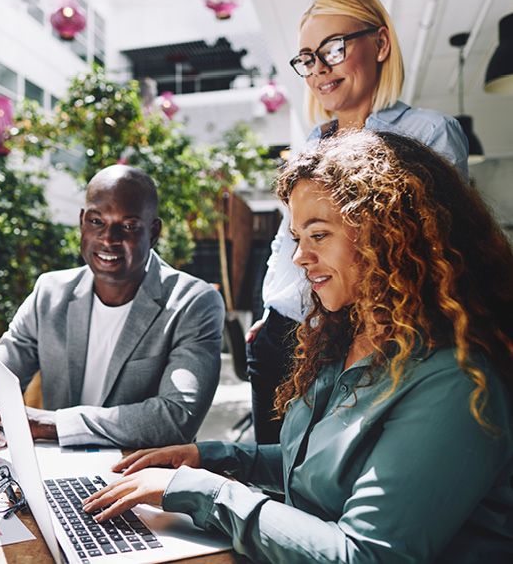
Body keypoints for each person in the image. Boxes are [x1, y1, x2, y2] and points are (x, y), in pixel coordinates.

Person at [83, 131, 513, 563]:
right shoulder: (346, 334)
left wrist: (207, 492)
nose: (299, 257)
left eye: (319, 235)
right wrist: (209, 458)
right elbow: (314, 470)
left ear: (386, 235)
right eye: (297, 237)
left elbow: (364, 555)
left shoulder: (457, 380)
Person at [247, 0, 469, 443]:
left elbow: (432, 249)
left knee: (332, 483)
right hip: (282, 336)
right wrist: (273, 307)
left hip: (361, 339)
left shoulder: (427, 133)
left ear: (381, 44)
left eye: (333, 48)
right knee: (273, 476)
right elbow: (287, 241)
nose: (319, 69)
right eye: (307, 58)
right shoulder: (311, 142)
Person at [0, 164, 224, 453]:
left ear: (153, 232)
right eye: (96, 221)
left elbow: (177, 418)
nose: (108, 239)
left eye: (127, 226)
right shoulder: (49, 293)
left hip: (140, 477)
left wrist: (49, 424)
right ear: (81, 222)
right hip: (58, 472)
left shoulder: (193, 302)